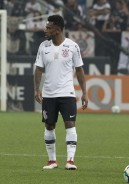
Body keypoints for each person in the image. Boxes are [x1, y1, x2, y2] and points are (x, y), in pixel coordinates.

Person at [34, 15, 88, 170]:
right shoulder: (43, 46)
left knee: (70, 124)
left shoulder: (72, 46)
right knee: (49, 125)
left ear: (57, 29)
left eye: (49, 27)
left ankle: (70, 161)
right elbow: (38, 69)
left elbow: (79, 70)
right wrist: (37, 89)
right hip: (49, 94)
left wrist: (84, 92)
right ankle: (52, 161)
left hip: (67, 93)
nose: (46, 29)